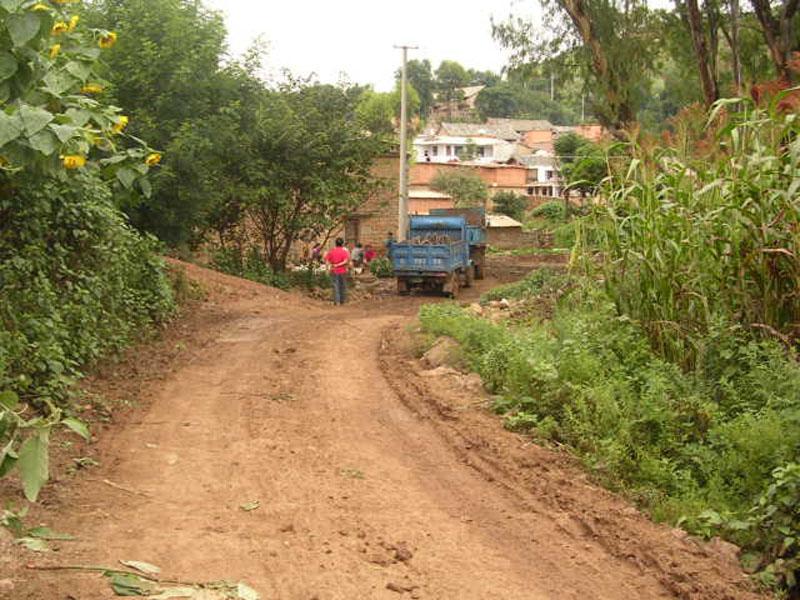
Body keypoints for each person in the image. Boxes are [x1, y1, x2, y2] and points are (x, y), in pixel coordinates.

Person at [324, 238, 350, 305]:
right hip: (342, 270)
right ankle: (342, 301)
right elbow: (346, 261)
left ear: (335, 243)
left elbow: (327, 261)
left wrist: (327, 269)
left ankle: (336, 301)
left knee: (335, 286)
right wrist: (339, 264)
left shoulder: (332, 251)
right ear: (342, 244)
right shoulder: (344, 252)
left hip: (334, 270)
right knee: (342, 285)